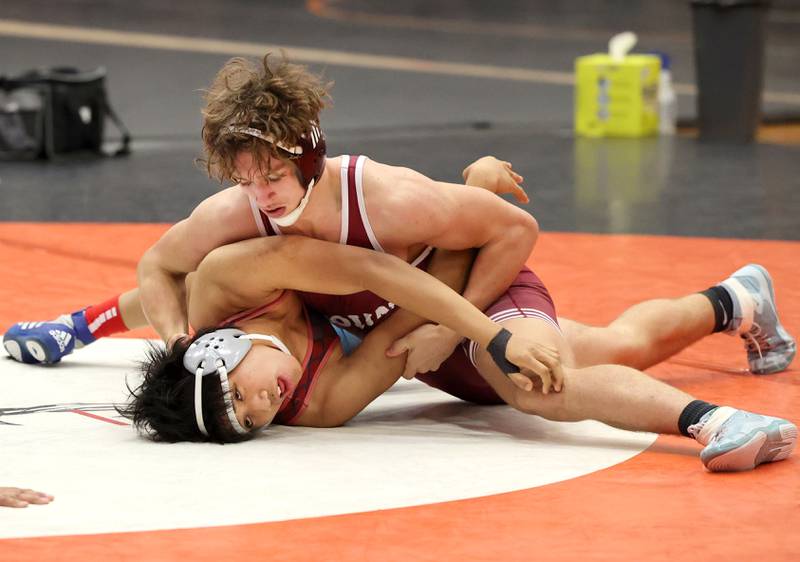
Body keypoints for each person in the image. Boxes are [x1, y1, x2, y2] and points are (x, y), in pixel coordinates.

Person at [4, 55, 795, 379]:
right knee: (222, 269)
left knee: (607, 353)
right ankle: (81, 322)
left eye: (274, 174)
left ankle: (736, 298)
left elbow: (515, 231)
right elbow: (162, 266)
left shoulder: (385, 196)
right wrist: (180, 352)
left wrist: (456, 327)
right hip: (371, 320)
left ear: (309, 157)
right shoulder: (242, 205)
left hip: (453, 295)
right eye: (245, 177)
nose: (262, 193)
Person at [120, 233, 796, 474]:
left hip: (456, 276)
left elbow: (379, 273)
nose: (262, 405)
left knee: (538, 385)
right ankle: (737, 298)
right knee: (618, 346)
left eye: (238, 395)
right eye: (250, 422)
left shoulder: (229, 279)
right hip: (424, 331)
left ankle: (717, 423)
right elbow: (389, 345)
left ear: (219, 347)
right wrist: (445, 336)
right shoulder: (316, 404)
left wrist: (468, 324)